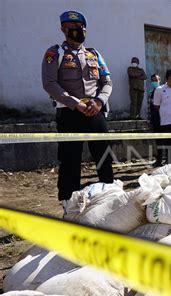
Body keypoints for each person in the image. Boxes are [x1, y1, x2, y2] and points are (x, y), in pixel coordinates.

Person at [42, 10, 113, 210]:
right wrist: (76, 103)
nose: (77, 32)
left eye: (80, 28)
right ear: (63, 29)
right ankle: (68, 204)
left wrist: (99, 101)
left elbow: (106, 81)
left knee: (104, 156)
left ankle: (109, 196)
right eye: (72, 29)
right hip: (70, 113)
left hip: (94, 111)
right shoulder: (54, 53)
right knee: (70, 160)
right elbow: (49, 83)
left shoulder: (95, 54)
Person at [148, 74, 162, 166]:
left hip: (162, 119)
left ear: (159, 80)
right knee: (158, 140)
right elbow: (150, 107)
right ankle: (159, 159)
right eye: (152, 80)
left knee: (164, 140)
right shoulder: (151, 92)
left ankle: (165, 158)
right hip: (155, 119)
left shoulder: (162, 91)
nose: (154, 82)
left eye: (156, 80)